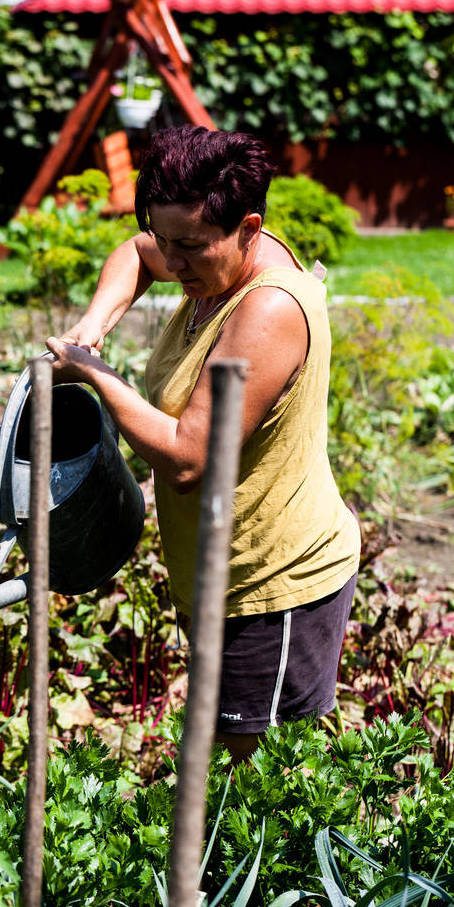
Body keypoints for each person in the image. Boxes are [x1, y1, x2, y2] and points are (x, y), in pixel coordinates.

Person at [45, 125, 360, 763]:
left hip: (273, 583)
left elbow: (190, 459)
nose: (173, 260)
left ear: (249, 228)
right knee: (225, 784)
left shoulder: (267, 309)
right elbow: (134, 253)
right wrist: (94, 325)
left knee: (250, 794)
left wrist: (95, 373)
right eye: (167, 240)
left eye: (189, 246)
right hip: (222, 573)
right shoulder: (206, 260)